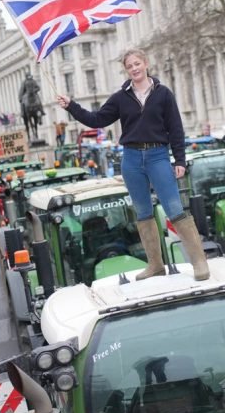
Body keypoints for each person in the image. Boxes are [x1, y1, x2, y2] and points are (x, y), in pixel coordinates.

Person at [56, 48, 209, 281]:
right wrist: (71, 106)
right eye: (130, 66)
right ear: (126, 70)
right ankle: (155, 265)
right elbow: (97, 120)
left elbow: (176, 129)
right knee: (143, 212)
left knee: (174, 208)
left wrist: (179, 159)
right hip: (131, 159)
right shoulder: (120, 97)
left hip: (158, 155)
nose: (135, 68)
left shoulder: (163, 94)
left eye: (137, 63)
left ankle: (199, 262)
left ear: (146, 63)